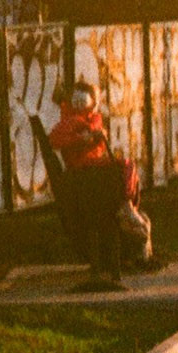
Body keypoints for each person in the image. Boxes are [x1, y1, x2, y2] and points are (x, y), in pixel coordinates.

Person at [49, 81, 137, 292]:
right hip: (84, 176)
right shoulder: (70, 121)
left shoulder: (88, 120)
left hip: (88, 175)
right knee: (125, 166)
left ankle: (128, 204)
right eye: (76, 100)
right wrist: (83, 138)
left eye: (83, 100)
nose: (79, 104)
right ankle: (127, 204)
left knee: (124, 167)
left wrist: (96, 137)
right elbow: (56, 140)